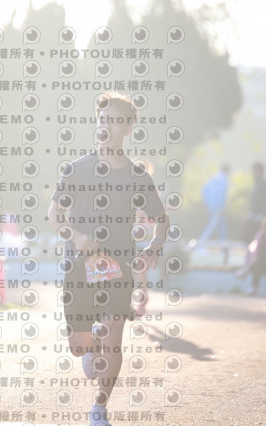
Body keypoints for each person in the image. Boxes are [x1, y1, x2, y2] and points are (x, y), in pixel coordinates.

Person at [47, 91, 169, 426]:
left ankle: (99, 408)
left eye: (114, 120)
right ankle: (90, 345)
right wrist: (76, 236)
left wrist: (153, 247)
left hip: (119, 267)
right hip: (79, 267)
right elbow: (54, 215)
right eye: (102, 120)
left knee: (115, 332)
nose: (106, 126)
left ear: (128, 127)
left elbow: (162, 220)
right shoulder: (76, 169)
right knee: (79, 345)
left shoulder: (137, 176)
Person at [198, 164, 229, 241]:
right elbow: (221, 194)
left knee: (221, 225)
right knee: (211, 226)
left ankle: (223, 242)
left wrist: (207, 203)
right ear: (227, 171)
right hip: (217, 207)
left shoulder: (215, 177)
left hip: (212, 205)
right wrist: (221, 207)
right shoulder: (223, 179)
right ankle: (201, 242)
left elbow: (204, 190)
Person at [241, 162, 266, 244]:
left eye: (255, 171)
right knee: (246, 235)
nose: (253, 173)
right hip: (252, 213)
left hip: (259, 215)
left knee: (258, 235)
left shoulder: (264, 183)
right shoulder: (256, 183)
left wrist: (263, 213)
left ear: (260, 171)